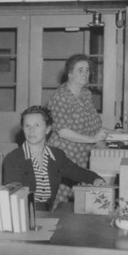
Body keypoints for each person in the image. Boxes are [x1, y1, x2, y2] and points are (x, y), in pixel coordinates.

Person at [2, 105, 105, 211]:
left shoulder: (56, 155)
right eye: (27, 126)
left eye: (37, 125)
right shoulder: (13, 159)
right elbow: (13, 198)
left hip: (46, 212)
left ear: (47, 129)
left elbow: (77, 172)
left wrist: (95, 179)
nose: (31, 130)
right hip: (22, 213)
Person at [47, 53, 110, 203]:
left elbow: (92, 124)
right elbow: (63, 132)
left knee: (78, 201)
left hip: (82, 157)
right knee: (60, 200)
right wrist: (93, 139)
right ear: (70, 73)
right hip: (64, 156)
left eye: (87, 70)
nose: (85, 74)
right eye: (80, 70)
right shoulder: (60, 96)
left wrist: (107, 137)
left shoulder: (86, 95)